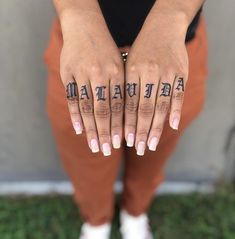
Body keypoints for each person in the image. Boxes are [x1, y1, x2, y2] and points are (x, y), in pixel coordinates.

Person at [44, 0, 208, 238]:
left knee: (153, 150)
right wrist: (77, 12)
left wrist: (173, 13)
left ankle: (134, 212)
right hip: (81, 50)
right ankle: (97, 219)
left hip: (173, 51)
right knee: (86, 156)